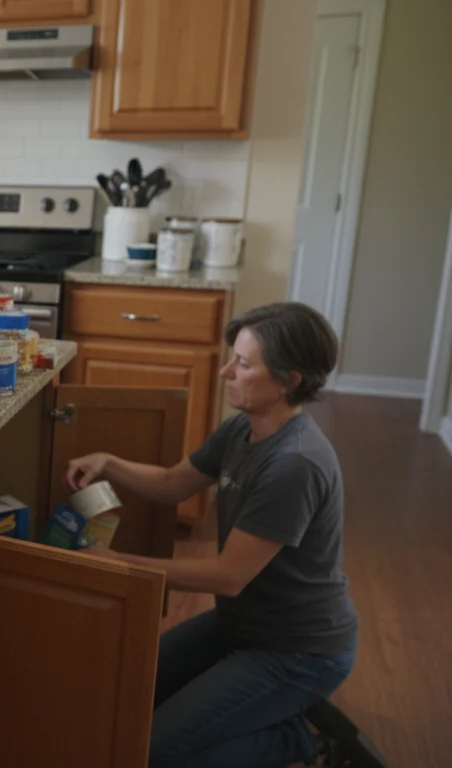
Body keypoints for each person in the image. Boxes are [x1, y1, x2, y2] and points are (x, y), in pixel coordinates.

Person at [67, 303, 358, 768]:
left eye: (243, 364)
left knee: (157, 751)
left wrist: (117, 563)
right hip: (240, 624)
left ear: (290, 380)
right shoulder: (243, 427)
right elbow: (172, 483)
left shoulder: (294, 463)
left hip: (298, 650)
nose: (226, 371)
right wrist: (110, 462)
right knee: (124, 694)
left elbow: (228, 576)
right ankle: (267, 712)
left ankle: (304, 741)